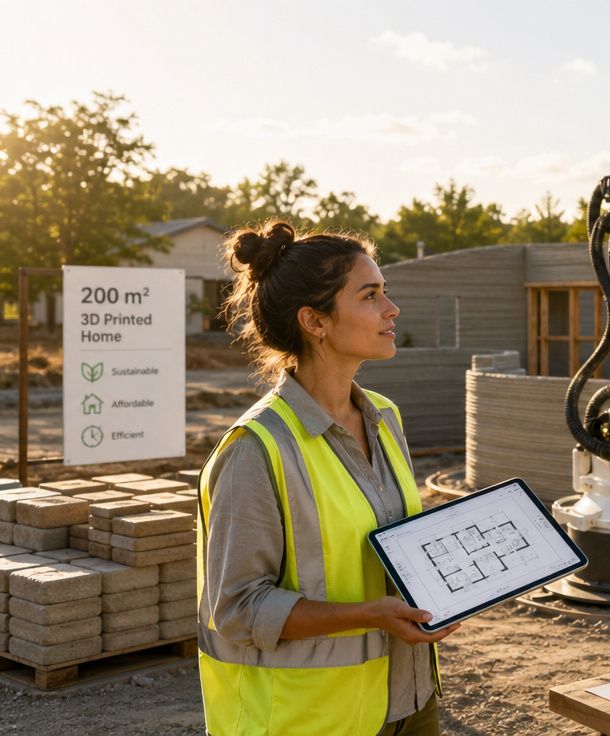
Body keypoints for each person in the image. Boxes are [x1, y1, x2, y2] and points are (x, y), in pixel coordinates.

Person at [197, 221, 457, 735]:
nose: (392, 309)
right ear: (315, 321)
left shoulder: (384, 417)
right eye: (370, 295)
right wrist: (370, 614)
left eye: (385, 292)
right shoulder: (256, 450)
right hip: (312, 720)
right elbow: (238, 609)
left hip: (410, 701)